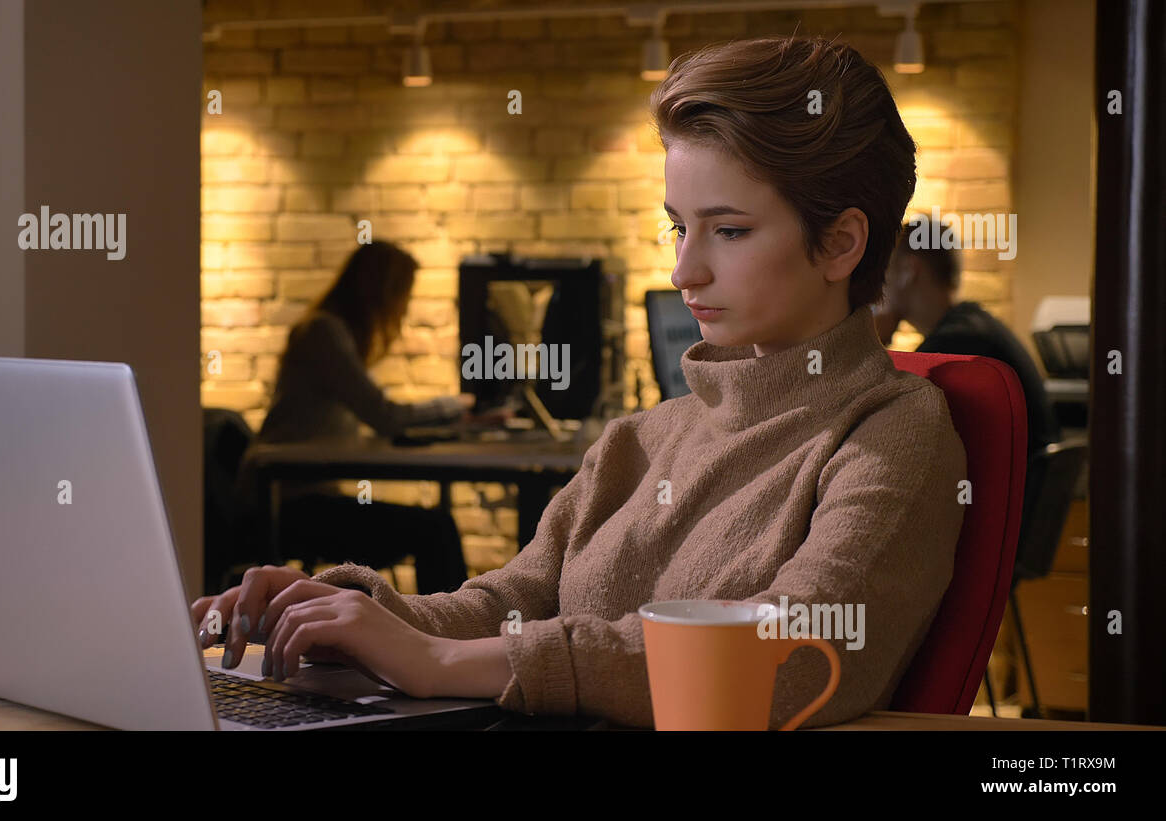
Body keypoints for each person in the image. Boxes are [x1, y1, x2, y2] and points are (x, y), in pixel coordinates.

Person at [194, 35, 969, 729]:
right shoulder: (642, 437)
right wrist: (348, 614)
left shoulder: (894, 431)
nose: (683, 269)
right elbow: (508, 602)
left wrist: (436, 666)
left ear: (840, 242)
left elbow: (788, 651)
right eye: (678, 225)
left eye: (728, 230)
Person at [232, 240, 478, 595]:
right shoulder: (324, 333)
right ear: (379, 291)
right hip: (285, 510)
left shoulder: (329, 331)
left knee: (433, 527)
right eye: (401, 296)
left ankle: (438, 633)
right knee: (434, 529)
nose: (403, 308)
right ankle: (443, 635)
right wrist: (456, 405)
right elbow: (385, 416)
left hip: (298, 500)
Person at [873, 218, 1062, 461]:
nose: (879, 286)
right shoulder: (975, 328)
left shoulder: (953, 347)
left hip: (1006, 495)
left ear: (910, 270)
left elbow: (889, 424)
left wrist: (873, 341)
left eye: (885, 271)